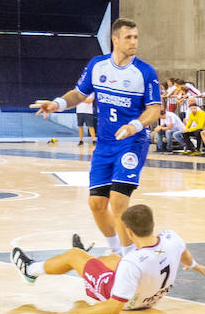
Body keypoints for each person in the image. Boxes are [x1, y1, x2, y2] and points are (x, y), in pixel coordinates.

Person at [30, 18, 161, 256]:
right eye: (128, 37)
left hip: (131, 143)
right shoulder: (97, 65)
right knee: (96, 205)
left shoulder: (145, 71)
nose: (134, 42)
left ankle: (129, 258)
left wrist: (134, 125)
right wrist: (57, 104)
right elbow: (78, 94)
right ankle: (115, 252)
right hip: (104, 145)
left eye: (136, 37)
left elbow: (154, 109)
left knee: (118, 201)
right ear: (115, 39)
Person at [10, 204, 205, 314]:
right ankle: (87, 265)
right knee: (112, 259)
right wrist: (195, 266)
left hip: (130, 304)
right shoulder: (172, 237)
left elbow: (113, 307)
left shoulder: (132, 262)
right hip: (152, 297)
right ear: (153, 225)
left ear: (129, 233)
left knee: (74, 256)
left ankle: (30, 269)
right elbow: (184, 254)